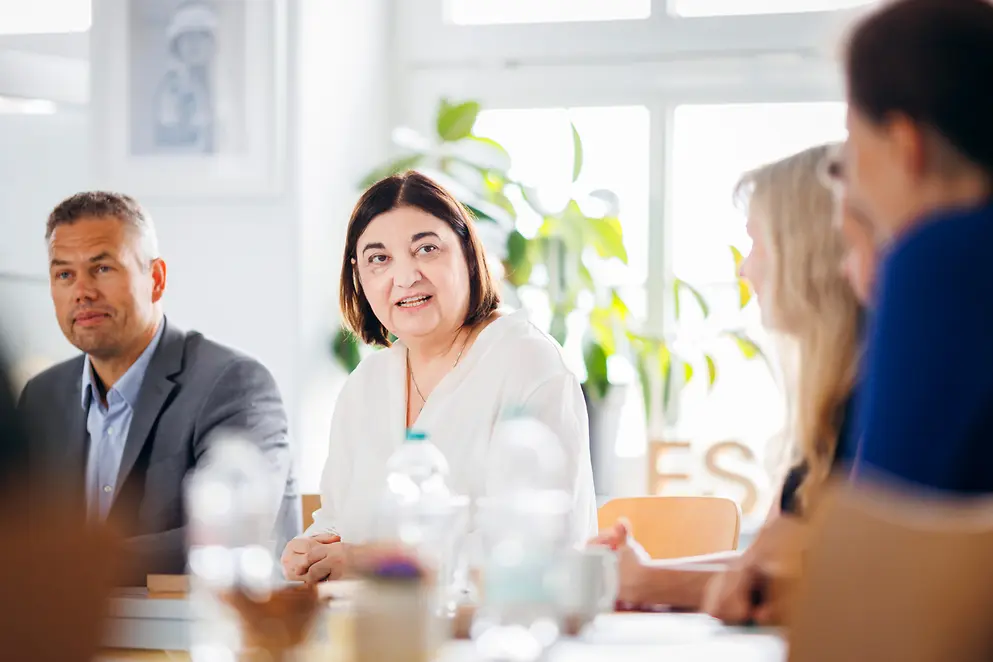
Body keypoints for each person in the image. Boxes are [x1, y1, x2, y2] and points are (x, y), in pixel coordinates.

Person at [281, 171, 597, 583]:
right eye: (379, 259)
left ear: (467, 253)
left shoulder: (527, 362)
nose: (406, 276)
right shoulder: (366, 382)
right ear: (359, 275)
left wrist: (372, 563)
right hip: (376, 635)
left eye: (427, 249)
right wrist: (314, 547)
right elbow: (339, 521)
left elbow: (538, 545)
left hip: (499, 634)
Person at [593, 144, 866, 613]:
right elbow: (765, 566)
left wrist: (648, 582)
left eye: (756, 242)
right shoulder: (826, 403)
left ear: (802, 253)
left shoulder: (867, 401)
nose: (744, 268)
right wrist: (643, 573)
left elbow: (831, 587)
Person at [18, 191, 300, 584]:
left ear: (156, 279)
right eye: (64, 274)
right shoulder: (41, 396)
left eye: (102, 269)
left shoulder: (233, 385)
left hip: (208, 633)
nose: (81, 291)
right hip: (67, 636)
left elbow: (233, 531)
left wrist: (73, 563)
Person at [834, 0, 993, 493]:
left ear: (906, 146)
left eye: (854, 144)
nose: (853, 182)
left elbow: (888, 528)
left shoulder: (939, 261)